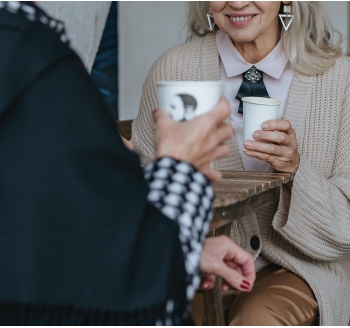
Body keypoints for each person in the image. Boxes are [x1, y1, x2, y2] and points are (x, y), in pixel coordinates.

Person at [0, 1, 256, 325]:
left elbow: (44, 229)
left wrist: (186, 253)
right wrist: (182, 169)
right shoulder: (32, 57)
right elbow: (141, 295)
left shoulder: (28, 53)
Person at [130, 1, 350, 326]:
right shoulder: (173, 70)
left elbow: (345, 226)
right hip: (197, 263)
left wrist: (295, 171)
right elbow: (142, 198)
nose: (236, 2)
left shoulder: (338, 79)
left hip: (298, 266)